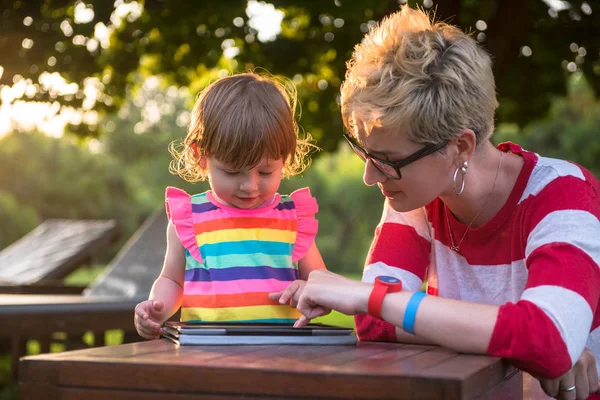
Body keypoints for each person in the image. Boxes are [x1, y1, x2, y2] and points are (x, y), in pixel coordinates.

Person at [273, 6, 600, 400]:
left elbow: (547, 339)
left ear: (460, 146)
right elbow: (376, 328)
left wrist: (374, 297)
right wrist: (519, 347)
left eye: (389, 161)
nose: (371, 177)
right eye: (366, 154)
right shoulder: (415, 197)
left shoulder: (564, 194)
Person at [134, 72, 326, 340]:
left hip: (282, 351)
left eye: (265, 172)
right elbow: (172, 281)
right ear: (200, 155)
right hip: (206, 352)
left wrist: (308, 291)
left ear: (285, 158)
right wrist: (157, 309)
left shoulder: (293, 219)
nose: (250, 186)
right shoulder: (189, 218)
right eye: (233, 172)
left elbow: (322, 284)